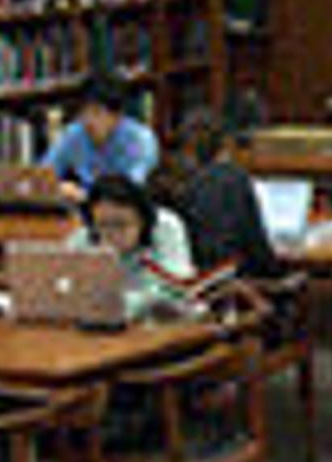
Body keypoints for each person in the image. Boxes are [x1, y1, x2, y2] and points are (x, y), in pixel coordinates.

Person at [169, 105, 288, 281]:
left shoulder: (171, 180)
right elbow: (257, 248)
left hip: (189, 284)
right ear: (225, 144)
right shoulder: (232, 179)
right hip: (233, 285)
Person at [78, 171, 203, 315]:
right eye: (103, 224)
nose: (111, 234)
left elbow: (177, 288)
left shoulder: (166, 228)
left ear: (143, 221)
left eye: (121, 225)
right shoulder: (87, 236)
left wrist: (125, 303)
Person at [40, 74, 159, 200]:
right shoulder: (74, 134)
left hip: (127, 212)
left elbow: (130, 192)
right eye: (83, 112)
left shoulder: (138, 141)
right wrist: (57, 187)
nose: (88, 120)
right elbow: (43, 175)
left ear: (117, 115)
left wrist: (83, 195)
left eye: (96, 113)